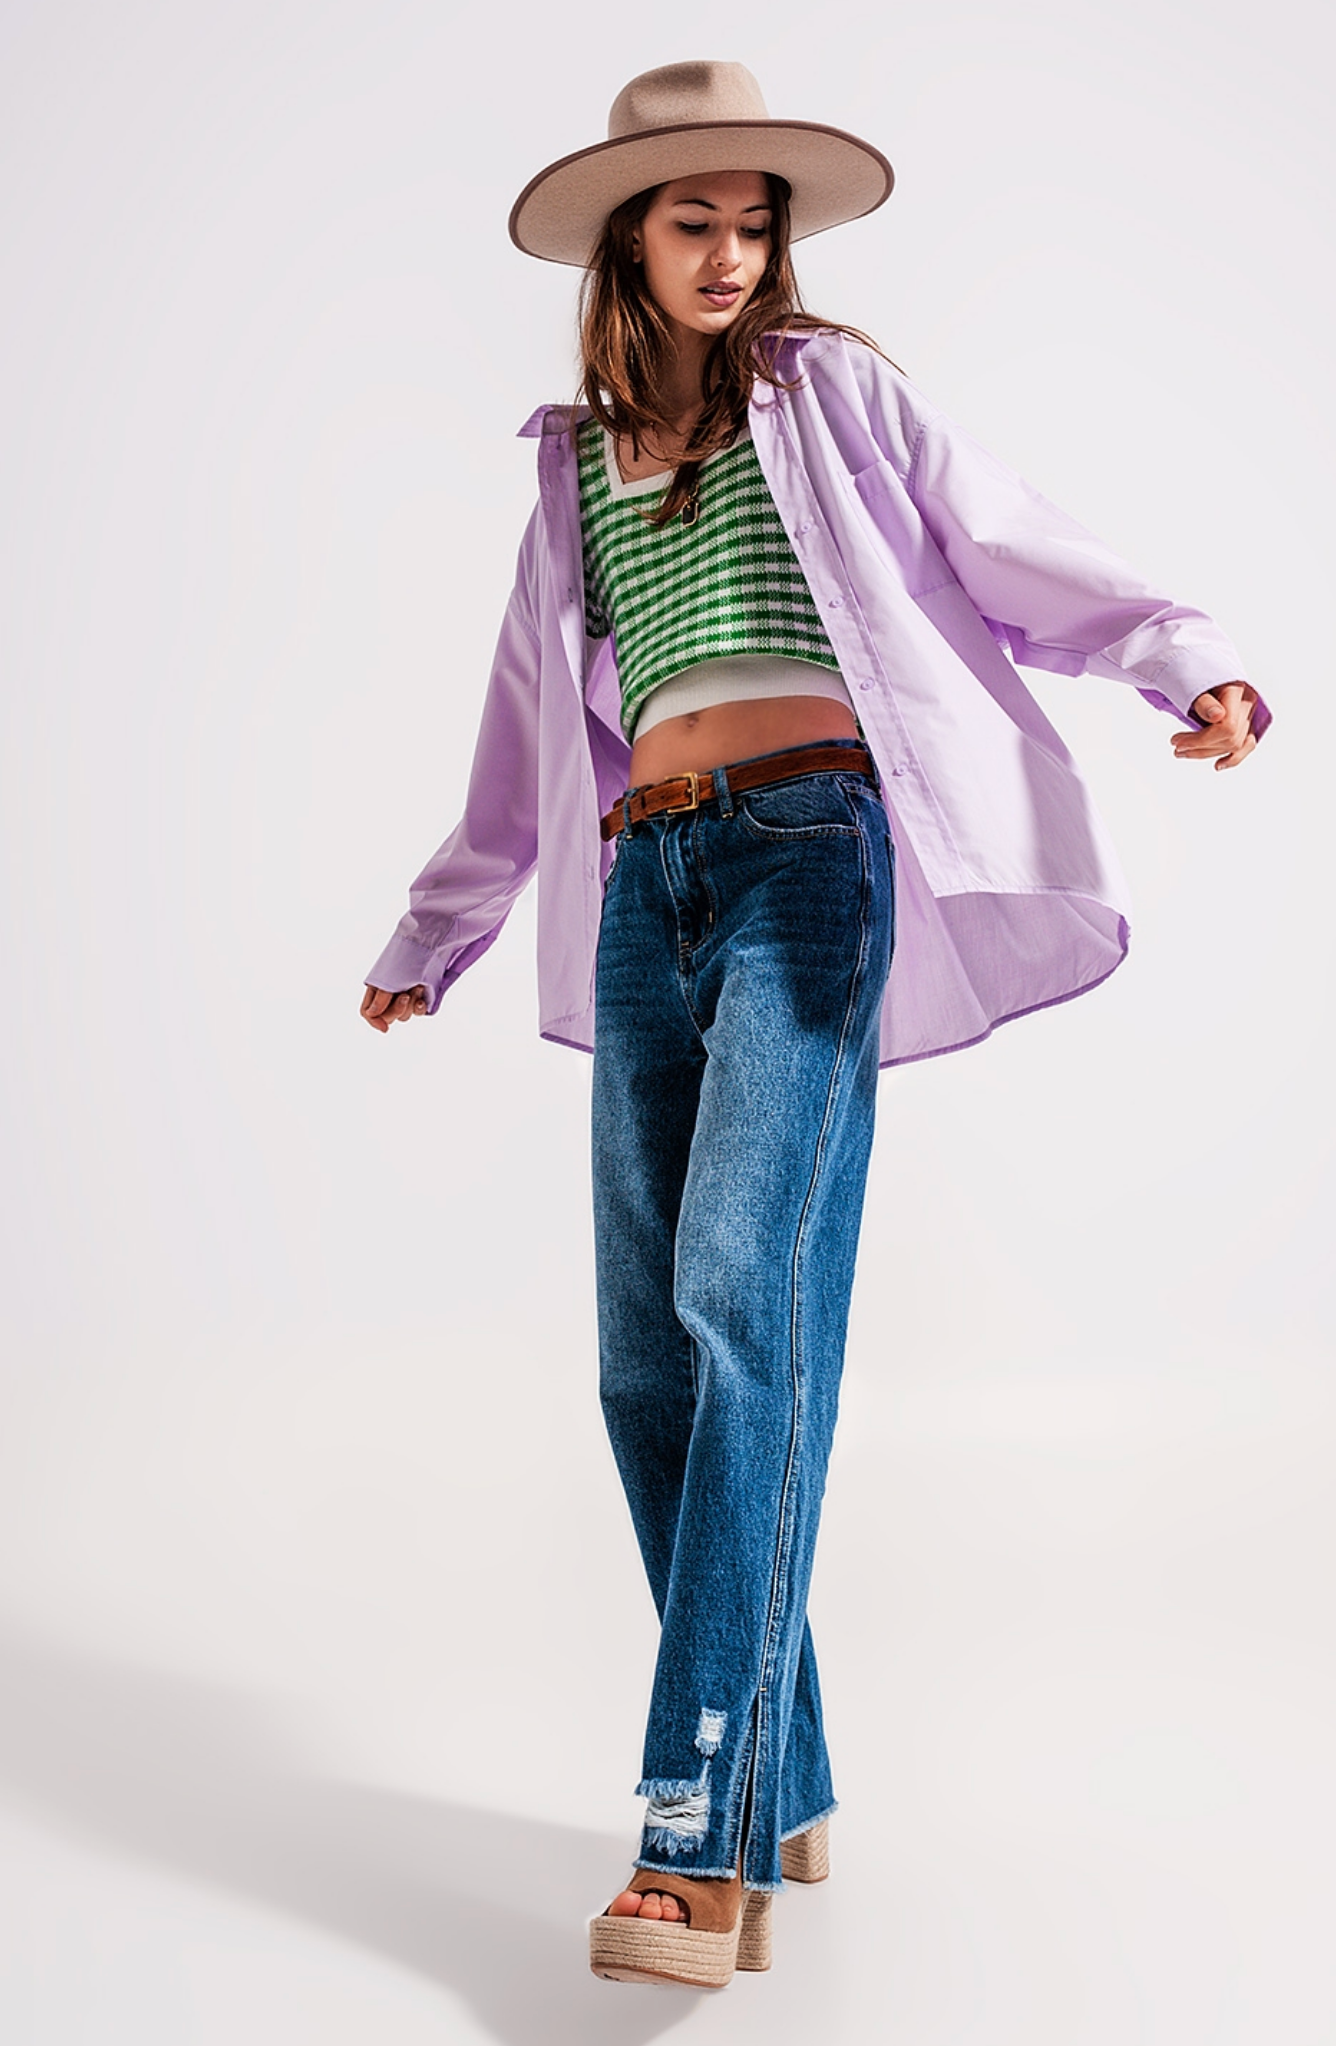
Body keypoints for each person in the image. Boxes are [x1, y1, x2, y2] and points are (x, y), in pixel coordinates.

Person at [360, 61, 1265, 1989]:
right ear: (627, 242)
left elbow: (1011, 546)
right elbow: (524, 727)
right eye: (691, 219)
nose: (729, 250)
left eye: (752, 220)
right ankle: (790, 1774)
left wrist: (1183, 657)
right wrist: (439, 930)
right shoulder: (572, 465)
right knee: (644, 1362)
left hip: (807, 859)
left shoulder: (833, 391)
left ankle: (696, 1835)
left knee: (739, 1298)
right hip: (646, 881)